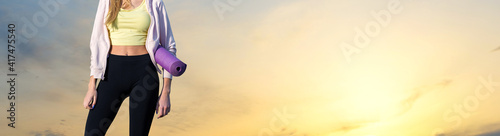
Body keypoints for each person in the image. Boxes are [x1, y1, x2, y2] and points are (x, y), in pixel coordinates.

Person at [82, 0, 177, 135]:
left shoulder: (155, 3)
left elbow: (169, 47)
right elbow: (96, 42)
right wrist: (91, 86)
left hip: (144, 75)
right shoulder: (107, 2)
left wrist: (166, 91)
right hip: (111, 73)